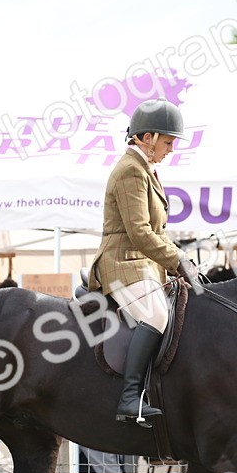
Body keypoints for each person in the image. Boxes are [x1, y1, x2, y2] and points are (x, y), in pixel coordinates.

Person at [87, 99, 196, 428]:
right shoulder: (129, 171)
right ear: (146, 137)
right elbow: (139, 232)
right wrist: (176, 258)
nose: (170, 149)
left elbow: (158, 232)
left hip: (145, 265)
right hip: (122, 262)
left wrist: (182, 260)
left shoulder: (147, 170)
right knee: (156, 314)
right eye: (167, 141)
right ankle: (130, 397)